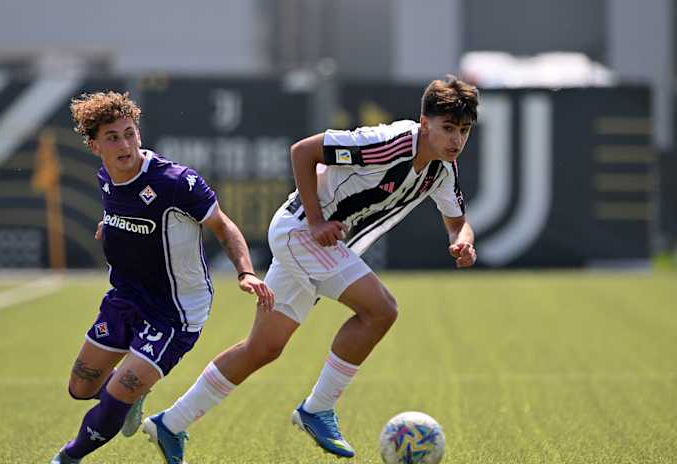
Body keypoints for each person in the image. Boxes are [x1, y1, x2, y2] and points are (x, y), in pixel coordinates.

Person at [141, 76, 479, 462]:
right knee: (381, 310)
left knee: (262, 348)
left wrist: (463, 239)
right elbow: (303, 152)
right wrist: (316, 221)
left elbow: (457, 221)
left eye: (464, 130)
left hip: (321, 246)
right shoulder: (389, 143)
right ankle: (317, 408)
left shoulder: (441, 170)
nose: (456, 140)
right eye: (448, 128)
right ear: (424, 121)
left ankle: (169, 423)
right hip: (300, 232)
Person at [50, 91, 274, 464]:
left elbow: (224, 226)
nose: (125, 144)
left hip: (174, 312)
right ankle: (126, 399)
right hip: (125, 298)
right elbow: (127, 211)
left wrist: (245, 272)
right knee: (80, 386)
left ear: (139, 133)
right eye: (113, 137)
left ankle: (68, 457)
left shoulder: (175, 181)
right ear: (94, 146)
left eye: (129, 133)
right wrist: (110, 225)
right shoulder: (107, 176)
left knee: (118, 392)